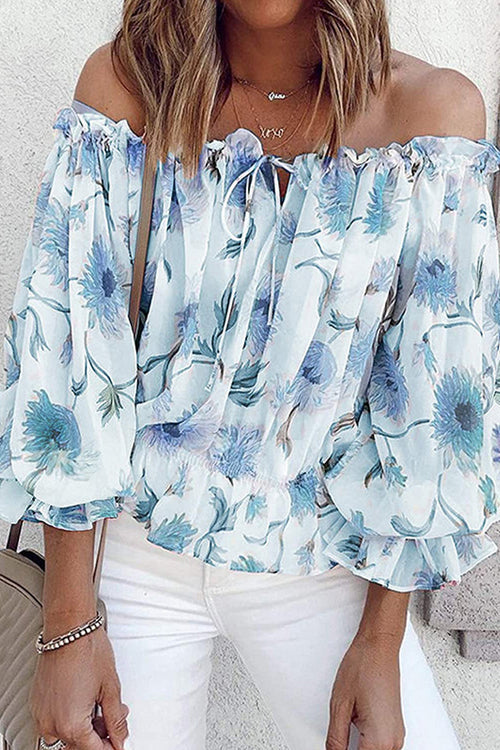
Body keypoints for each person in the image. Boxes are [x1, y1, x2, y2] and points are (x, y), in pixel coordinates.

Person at [1, 1, 499, 748]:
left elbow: (427, 409)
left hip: (325, 562)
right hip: (132, 553)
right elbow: (70, 363)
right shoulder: (126, 92)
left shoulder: (429, 119)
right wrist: (68, 624)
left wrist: (381, 640)